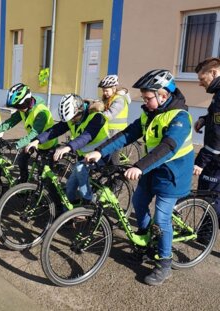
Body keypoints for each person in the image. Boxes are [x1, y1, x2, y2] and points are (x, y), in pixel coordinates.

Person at [85, 69, 194, 286]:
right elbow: (127, 134)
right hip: (152, 168)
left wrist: (139, 166)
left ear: (163, 95)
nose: (144, 101)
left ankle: (164, 262)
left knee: (162, 218)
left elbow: (168, 147)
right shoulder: (149, 113)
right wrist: (100, 151)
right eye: (143, 97)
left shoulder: (180, 117)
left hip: (174, 173)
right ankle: (146, 243)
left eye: (148, 97)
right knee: (138, 202)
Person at [25, 93, 109, 204]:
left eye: (74, 118)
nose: (72, 121)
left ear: (80, 110)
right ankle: (67, 215)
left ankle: (87, 203)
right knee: (70, 186)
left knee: (79, 169)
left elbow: (86, 136)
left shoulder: (97, 117)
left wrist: (68, 147)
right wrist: (37, 140)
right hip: (84, 157)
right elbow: (55, 130)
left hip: (101, 155)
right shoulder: (72, 117)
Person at [0, 83, 58, 182]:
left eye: (19, 106)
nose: (18, 109)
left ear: (27, 101)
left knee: (46, 177)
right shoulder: (23, 109)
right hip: (33, 142)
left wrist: (17, 145)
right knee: (22, 160)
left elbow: (34, 133)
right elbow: (11, 121)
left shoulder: (41, 112)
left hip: (47, 145)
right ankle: (23, 182)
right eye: (16, 107)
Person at [193, 57, 220, 224]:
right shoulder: (218, 92)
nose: (200, 84)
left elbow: (218, 135)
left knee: (212, 197)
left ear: (214, 72)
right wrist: (204, 119)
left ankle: (205, 234)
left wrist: (201, 160)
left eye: (202, 79)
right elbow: (214, 115)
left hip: (216, 157)